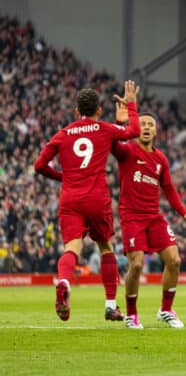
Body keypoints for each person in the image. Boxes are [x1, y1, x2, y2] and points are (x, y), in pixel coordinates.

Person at [34, 80, 141, 321]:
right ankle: (111, 305)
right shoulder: (105, 128)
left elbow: (39, 165)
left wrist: (62, 177)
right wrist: (131, 105)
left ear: (76, 111)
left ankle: (63, 281)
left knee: (72, 247)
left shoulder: (63, 134)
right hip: (96, 197)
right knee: (106, 247)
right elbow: (133, 131)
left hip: (70, 198)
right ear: (99, 111)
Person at [112, 105, 186, 329]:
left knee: (174, 260)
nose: (145, 127)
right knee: (136, 265)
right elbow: (112, 144)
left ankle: (165, 310)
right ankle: (131, 315)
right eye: (142, 124)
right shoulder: (128, 151)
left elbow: (169, 189)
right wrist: (122, 125)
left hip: (154, 216)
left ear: (156, 131)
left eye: (150, 125)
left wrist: (184, 213)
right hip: (131, 216)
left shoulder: (161, 159)